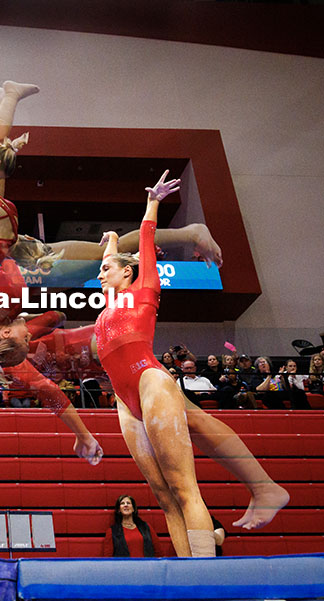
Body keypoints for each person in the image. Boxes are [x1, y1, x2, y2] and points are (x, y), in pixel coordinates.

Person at [95, 171, 214, 557]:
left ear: (128, 273)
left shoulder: (145, 289)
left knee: (183, 486)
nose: (100, 273)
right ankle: (187, 574)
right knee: (163, 495)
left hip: (150, 382)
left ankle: (209, 576)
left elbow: (145, 242)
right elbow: (109, 259)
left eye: (107, 269)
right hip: (124, 399)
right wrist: (110, 240)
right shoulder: (107, 307)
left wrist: (153, 202)